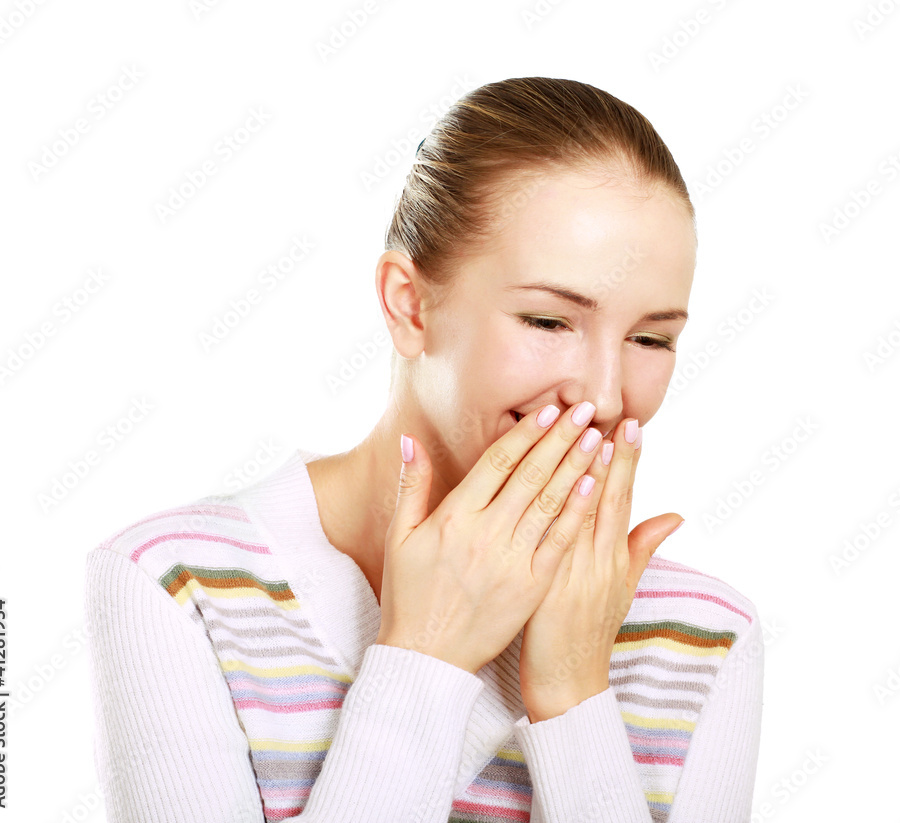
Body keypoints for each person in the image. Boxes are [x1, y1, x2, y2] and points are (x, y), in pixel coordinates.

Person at [85, 76, 763, 823]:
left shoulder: (704, 639)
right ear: (409, 305)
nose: (604, 396)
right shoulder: (176, 587)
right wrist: (425, 658)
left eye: (650, 338)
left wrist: (574, 695)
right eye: (547, 321)